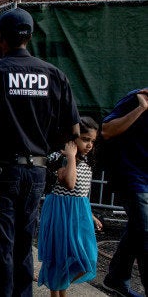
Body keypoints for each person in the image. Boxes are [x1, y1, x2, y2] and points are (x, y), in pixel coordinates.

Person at [0, 8, 80, 296]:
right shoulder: (54, 75)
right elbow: (73, 132)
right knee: (23, 241)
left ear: (1, 39)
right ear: (28, 38)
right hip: (36, 172)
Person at [37, 117, 101, 296]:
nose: (89, 145)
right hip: (60, 212)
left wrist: (90, 214)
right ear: (73, 139)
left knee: (87, 259)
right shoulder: (61, 158)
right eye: (85, 139)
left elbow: (81, 193)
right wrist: (71, 156)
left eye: (92, 141)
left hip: (78, 213)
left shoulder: (86, 160)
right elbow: (70, 183)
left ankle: (58, 284)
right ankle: (56, 291)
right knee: (60, 257)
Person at [101, 88, 147, 297]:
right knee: (145, 232)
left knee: (137, 229)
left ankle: (116, 278)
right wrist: (141, 108)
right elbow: (107, 130)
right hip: (133, 178)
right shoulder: (136, 98)